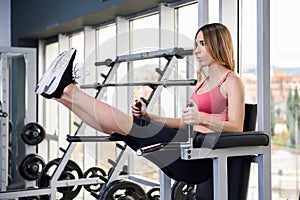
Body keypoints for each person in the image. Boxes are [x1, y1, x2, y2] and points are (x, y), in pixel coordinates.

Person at [35, 23, 244, 190]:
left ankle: (70, 90)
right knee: (119, 129)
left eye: (202, 44)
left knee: (128, 124)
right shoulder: (203, 82)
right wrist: (150, 116)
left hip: (200, 159)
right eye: (196, 44)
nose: (196, 50)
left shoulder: (232, 81)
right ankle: (62, 96)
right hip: (184, 146)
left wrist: (201, 119)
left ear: (217, 45)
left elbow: (237, 127)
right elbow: (184, 123)